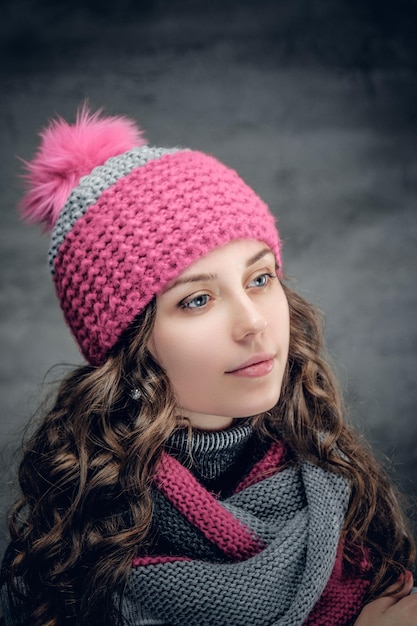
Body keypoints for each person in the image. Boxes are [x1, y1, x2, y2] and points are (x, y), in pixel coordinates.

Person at [0, 105, 416, 626]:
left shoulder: (340, 489)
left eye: (260, 279)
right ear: (127, 345)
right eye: (197, 299)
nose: (253, 324)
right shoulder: (70, 558)